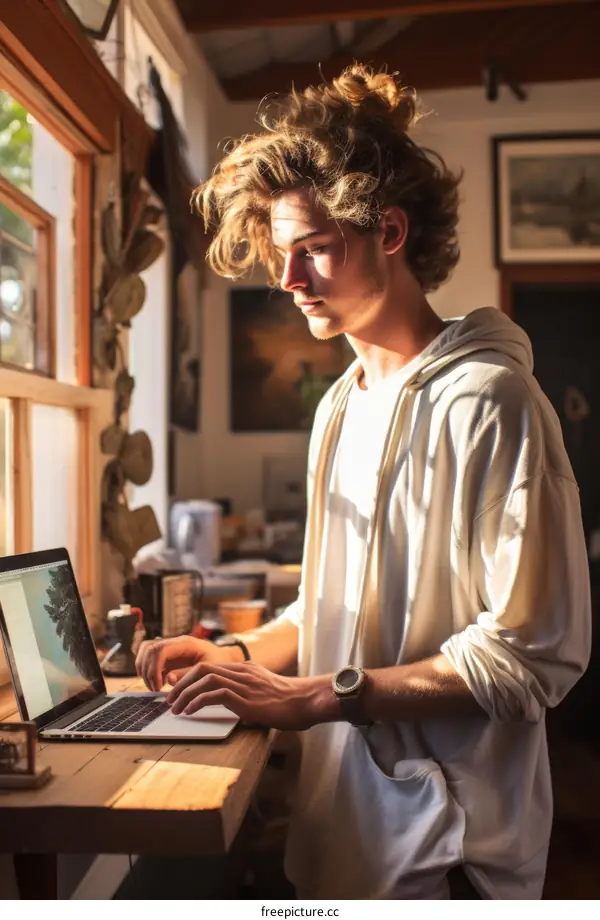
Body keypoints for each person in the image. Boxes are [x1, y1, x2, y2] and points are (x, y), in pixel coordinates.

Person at [136, 65, 591, 899]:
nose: (288, 279)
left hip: (449, 854)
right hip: (338, 837)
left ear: (387, 230)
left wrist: (313, 698)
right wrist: (233, 656)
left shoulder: (493, 402)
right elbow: (329, 610)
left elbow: (532, 658)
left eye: (311, 248)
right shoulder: (341, 405)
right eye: (280, 254)